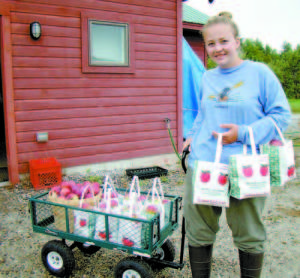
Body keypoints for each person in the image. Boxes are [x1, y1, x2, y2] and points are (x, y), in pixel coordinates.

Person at [182, 11, 291, 278]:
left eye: (224, 41)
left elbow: (281, 116)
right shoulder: (207, 77)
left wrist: (242, 133)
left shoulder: (259, 73)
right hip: (205, 164)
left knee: (249, 234)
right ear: (206, 47)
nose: (217, 48)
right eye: (211, 43)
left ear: (237, 41)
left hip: (245, 167)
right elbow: (204, 115)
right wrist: (193, 135)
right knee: (199, 230)